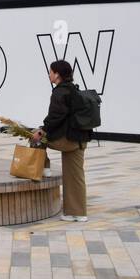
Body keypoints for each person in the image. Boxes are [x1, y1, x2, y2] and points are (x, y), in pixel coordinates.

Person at [33, 59, 91, 222]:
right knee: (76, 176)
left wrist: (42, 130)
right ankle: (79, 213)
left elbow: (55, 117)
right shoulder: (74, 89)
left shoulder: (59, 92)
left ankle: (45, 168)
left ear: (57, 74)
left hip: (67, 140)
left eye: (51, 71)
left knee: (35, 136)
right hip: (80, 139)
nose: (49, 74)